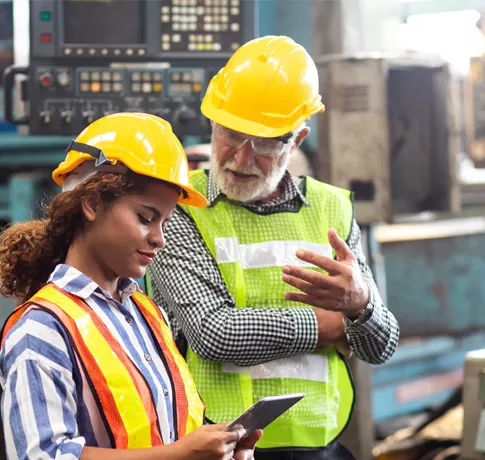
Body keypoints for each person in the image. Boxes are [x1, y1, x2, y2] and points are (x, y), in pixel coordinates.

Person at [146, 35, 401, 459]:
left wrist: (359, 306)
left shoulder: (332, 209)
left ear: (296, 141)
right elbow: (215, 334)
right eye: (231, 134)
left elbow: (381, 345)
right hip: (218, 447)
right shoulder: (182, 206)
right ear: (213, 123)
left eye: (265, 142)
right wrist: (332, 325)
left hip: (319, 446)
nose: (242, 158)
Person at [0, 113, 263, 460]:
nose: (159, 239)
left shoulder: (147, 314)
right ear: (92, 204)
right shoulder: (42, 329)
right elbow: (42, 456)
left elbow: (162, 438)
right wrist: (180, 455)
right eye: (146, 218)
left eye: (165, 222)